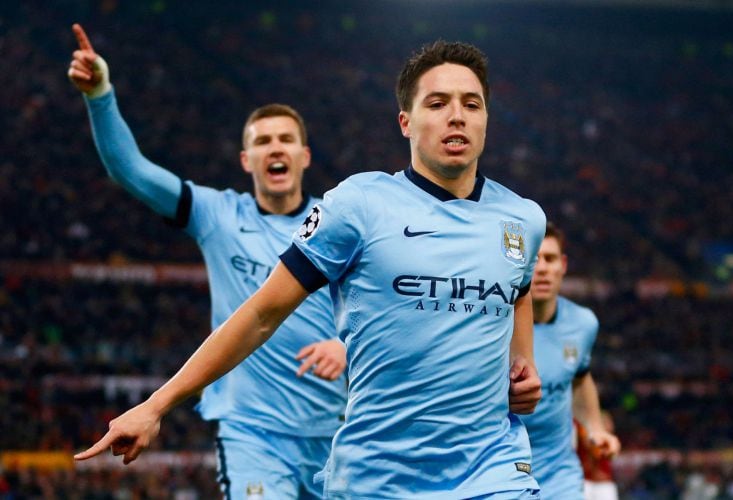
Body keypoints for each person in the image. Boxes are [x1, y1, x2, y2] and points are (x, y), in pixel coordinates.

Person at [74, 39, 546, 499]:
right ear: (405, 121)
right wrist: (157, 405)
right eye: (438, 102)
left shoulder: (522, 219)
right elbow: (260, 313)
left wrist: (521, 364)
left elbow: (517, 289)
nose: (457, 115)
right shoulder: (350, 207)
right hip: (366, 470)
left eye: (472, 104)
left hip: (491, 468)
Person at [67, 24, 347, 500]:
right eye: (263, 141)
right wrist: (100, 95)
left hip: (338, 435)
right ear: (246, 159)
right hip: (252, 436)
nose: (275, 147)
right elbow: (129, 170)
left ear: (304, 156)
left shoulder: (340, 221)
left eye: (285, 139)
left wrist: (346, 344)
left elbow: (381, 308)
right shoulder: (217, 213)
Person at [517, 222, 621, 499]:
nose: (541, 269)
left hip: (560, 475)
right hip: (503, 470)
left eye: (550, 259)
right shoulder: (494, 326)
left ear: (563, 265)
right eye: (533, 260)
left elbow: (579, 378)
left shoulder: (583, 323)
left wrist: (595, 428)